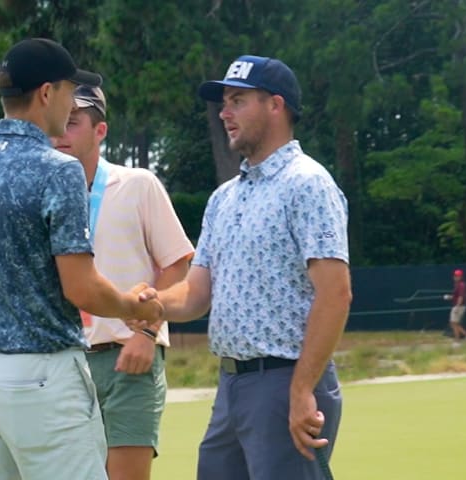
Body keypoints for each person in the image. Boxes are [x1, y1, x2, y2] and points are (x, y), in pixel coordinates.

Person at [0, 38, 164, 480]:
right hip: (41, 376)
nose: (70, 101)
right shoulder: (58, 170)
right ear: (45, 93)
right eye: (68, 90)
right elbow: (80, 288)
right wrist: (136, 310)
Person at [146, 55, 352, 479]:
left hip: (285, 381)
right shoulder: (224, 198)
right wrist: (152, 303)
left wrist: (300, 389)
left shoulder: (308, 184)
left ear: (276, 106)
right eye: (224, 102)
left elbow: (335, 294)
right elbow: (196, 293)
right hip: (232, 388)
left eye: (238, 100)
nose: (224, 113)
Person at [51, 85, 195, 480]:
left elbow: (177, 263)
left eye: (73, 123)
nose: (60, 134)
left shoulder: (138, 184)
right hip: (61, 365)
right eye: (57, 122)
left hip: (125, 359)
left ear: (100, 132)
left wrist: (147, 333)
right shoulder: (39, 194)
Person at [444, 269, 466, 345]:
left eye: (458, 276)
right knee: (454, 323)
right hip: (458, 305)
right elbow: (456, 296)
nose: (456, 277)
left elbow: (461, 297)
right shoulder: (457, 285)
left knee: (453, 323)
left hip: (459, 306)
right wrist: (449, 297)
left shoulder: (461, 285)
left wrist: (457, 307)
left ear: (461, 277)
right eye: (455, 275)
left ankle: (457, 341)